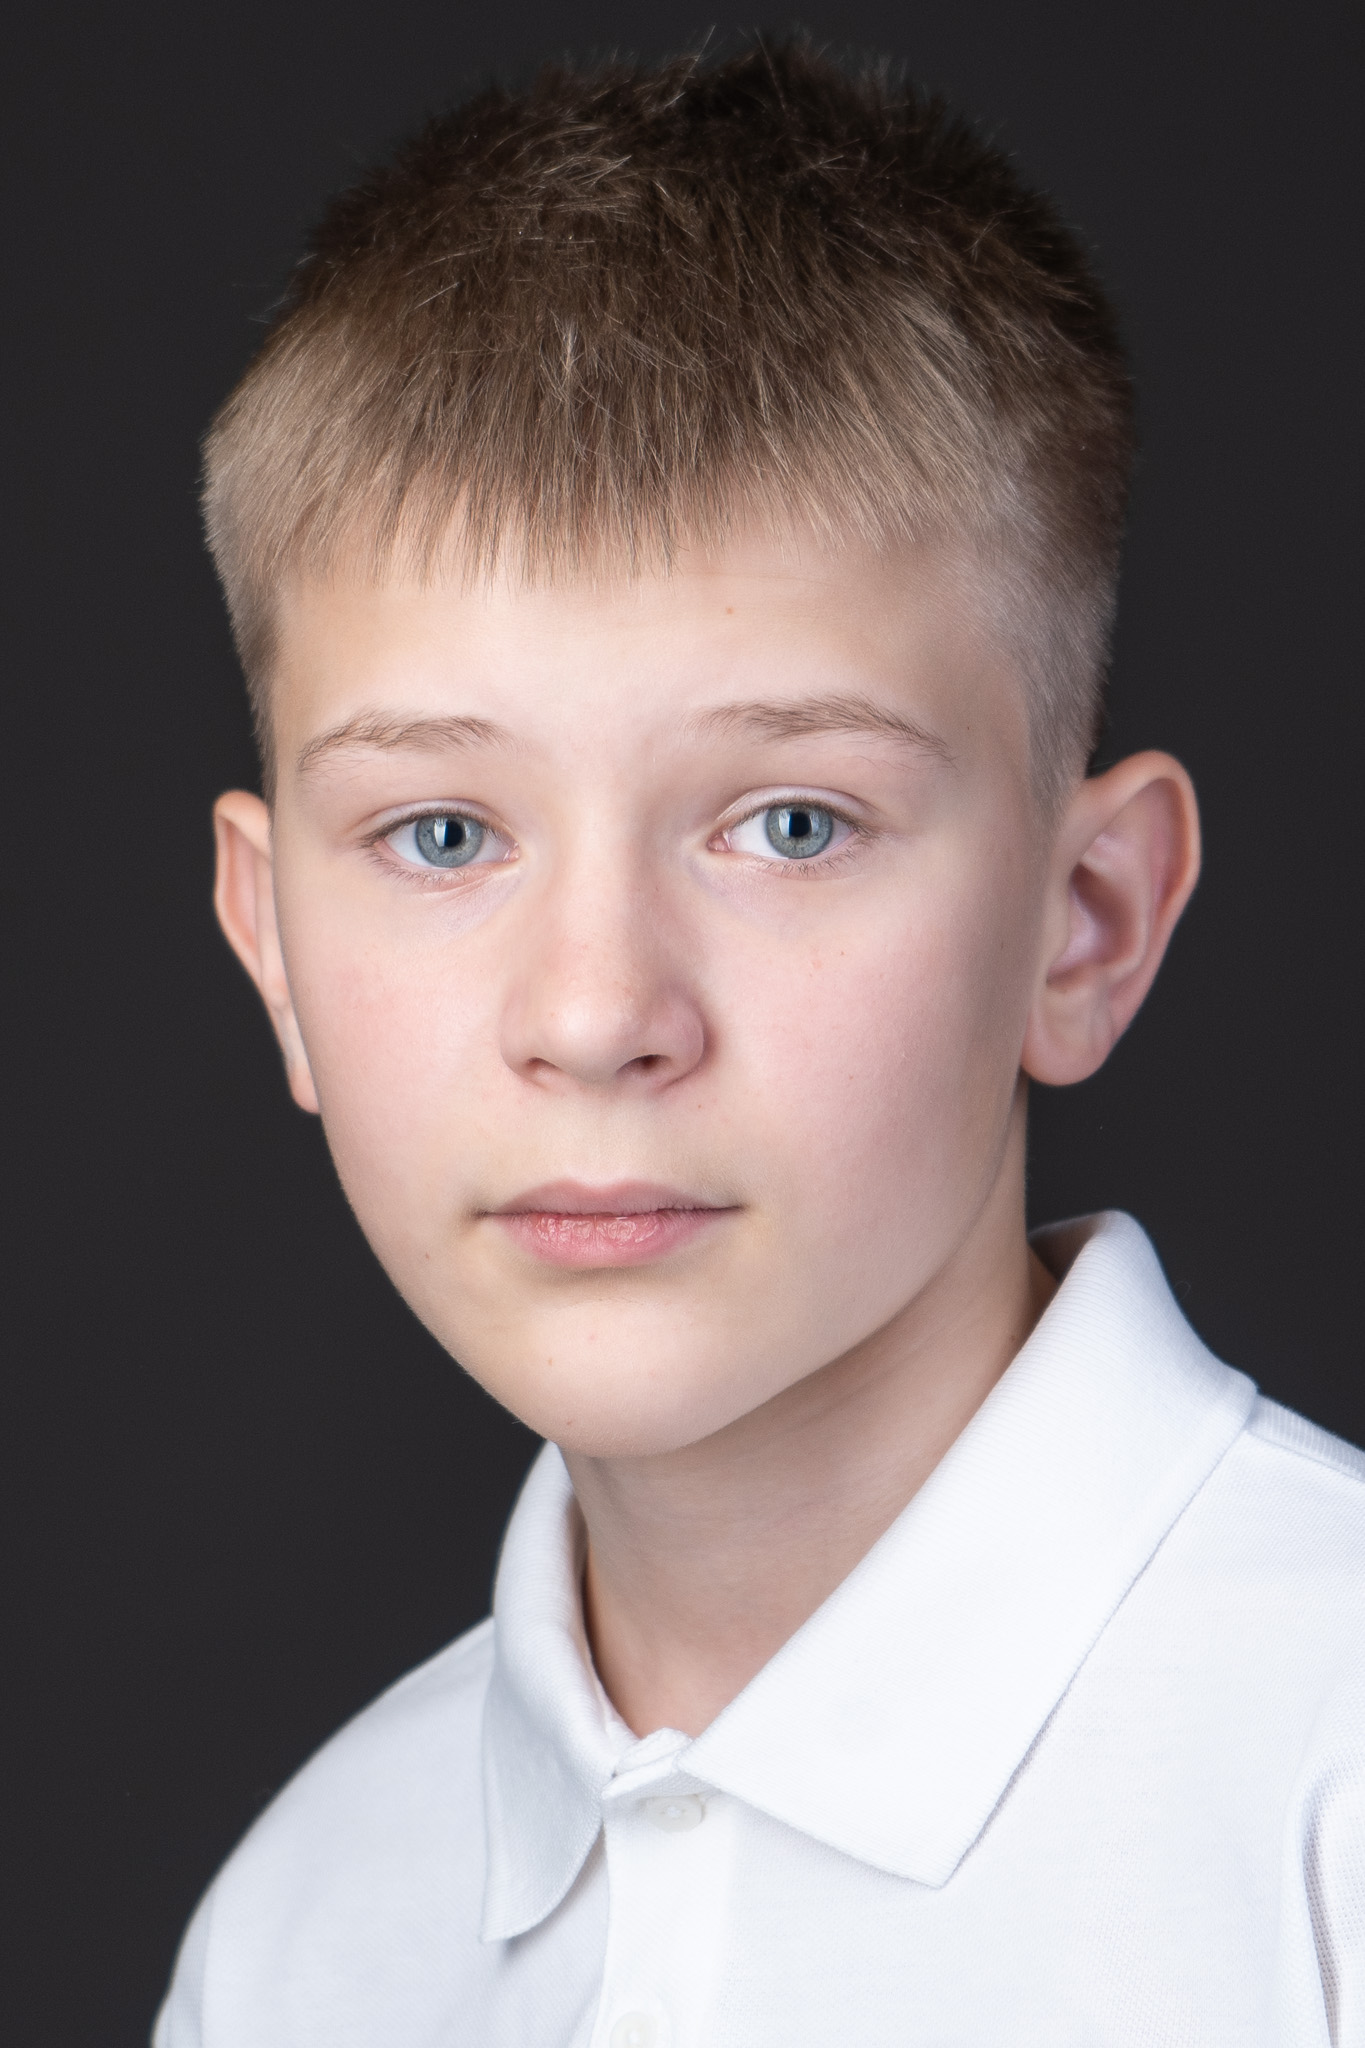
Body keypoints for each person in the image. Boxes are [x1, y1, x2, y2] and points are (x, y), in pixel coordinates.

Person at [155, 41, 1365, 2047]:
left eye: (790, 823)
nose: (593, 1015)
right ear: (274, 946)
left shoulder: (1326, 1788)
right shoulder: (304, 1934)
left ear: (1083, 921)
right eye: (442, 835)